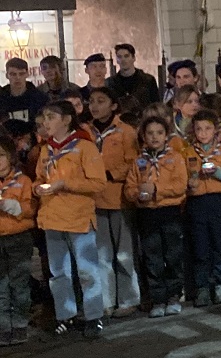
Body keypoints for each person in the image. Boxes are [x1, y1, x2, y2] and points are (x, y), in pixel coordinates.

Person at [35, 101, 107, 337]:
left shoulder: (84, 147)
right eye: (44, 117)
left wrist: (65, 184)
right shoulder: (46, 149)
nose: (46, 122)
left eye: (51, 117)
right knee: (59, 273)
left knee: (87, 271)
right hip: (52, 218)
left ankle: (94, 316)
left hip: (78, 218)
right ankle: (65, 315)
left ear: (66, 120)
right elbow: (39, 178)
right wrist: (37, 188)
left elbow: (98, 183)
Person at [124, 113, 188, 320]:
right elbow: (129, 187)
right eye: (150, 133)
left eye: (159, 133)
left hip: (169, 212)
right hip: (147, 213)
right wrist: (137, 194)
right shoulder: (138, 161)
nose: (154, 137)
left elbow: (180, 185)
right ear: (143, 136)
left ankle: (174, 296)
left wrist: (157, 189)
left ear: (166, 135)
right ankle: (158, 298)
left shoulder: (175, 158)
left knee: (173, 255)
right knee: (153, 257)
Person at [84, 85, 140, 318]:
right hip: (93, 201)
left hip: (119, 199)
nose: (94, 106)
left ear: (114, 105)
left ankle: (128, 299)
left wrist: (109, 173)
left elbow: (134, 163)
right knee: (101, 254)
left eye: (101, 101)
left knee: (124, 253)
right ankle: (106, 300)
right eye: (91, 102)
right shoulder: (85, 132)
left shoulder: (125, 132)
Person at [185, 108, 221, 306]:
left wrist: (217, 172)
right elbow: (183, 178)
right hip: (197, 202)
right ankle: (202, 287)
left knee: (220, 244)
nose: (203, 133)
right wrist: (190, 182)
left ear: (215, 129)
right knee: (200, 246)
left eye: (207, 128)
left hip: (219, 201)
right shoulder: (188, 152)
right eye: (199, 129)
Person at [0, 136, 35, 345]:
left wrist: (16, 207)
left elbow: (31, 209)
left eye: (1, 155)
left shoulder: (23, 181)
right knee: (1, 286)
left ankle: (20, 324)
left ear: (11, 157)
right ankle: (4, 327)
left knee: (19, 284)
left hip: (18, 237)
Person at [0, 58, 50, 123]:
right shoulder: (1, 98)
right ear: (7, 75)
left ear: (27, 74)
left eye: (21, 74)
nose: (18, 78)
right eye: (13, 74)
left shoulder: (40, 98)